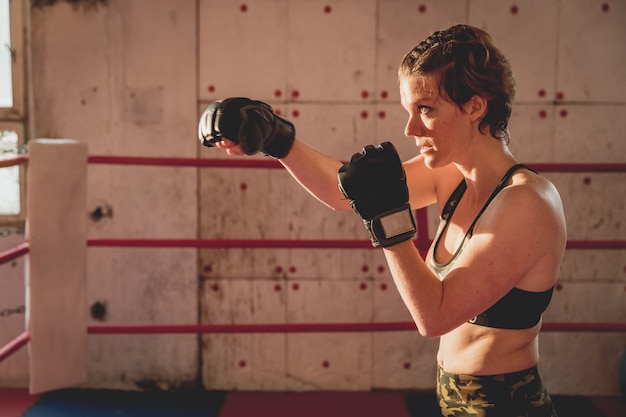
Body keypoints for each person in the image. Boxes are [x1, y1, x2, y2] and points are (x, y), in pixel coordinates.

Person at [198, 24, 566, 417]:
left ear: (475, 106)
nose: (410, 129)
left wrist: (389, 222)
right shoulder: (452, 175)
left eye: (425, 109)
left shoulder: (527, 202)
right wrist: (278, 139)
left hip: (506, 405)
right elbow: (345, 193)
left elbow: (435, 316)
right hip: (455, 400)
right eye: (409, 111)